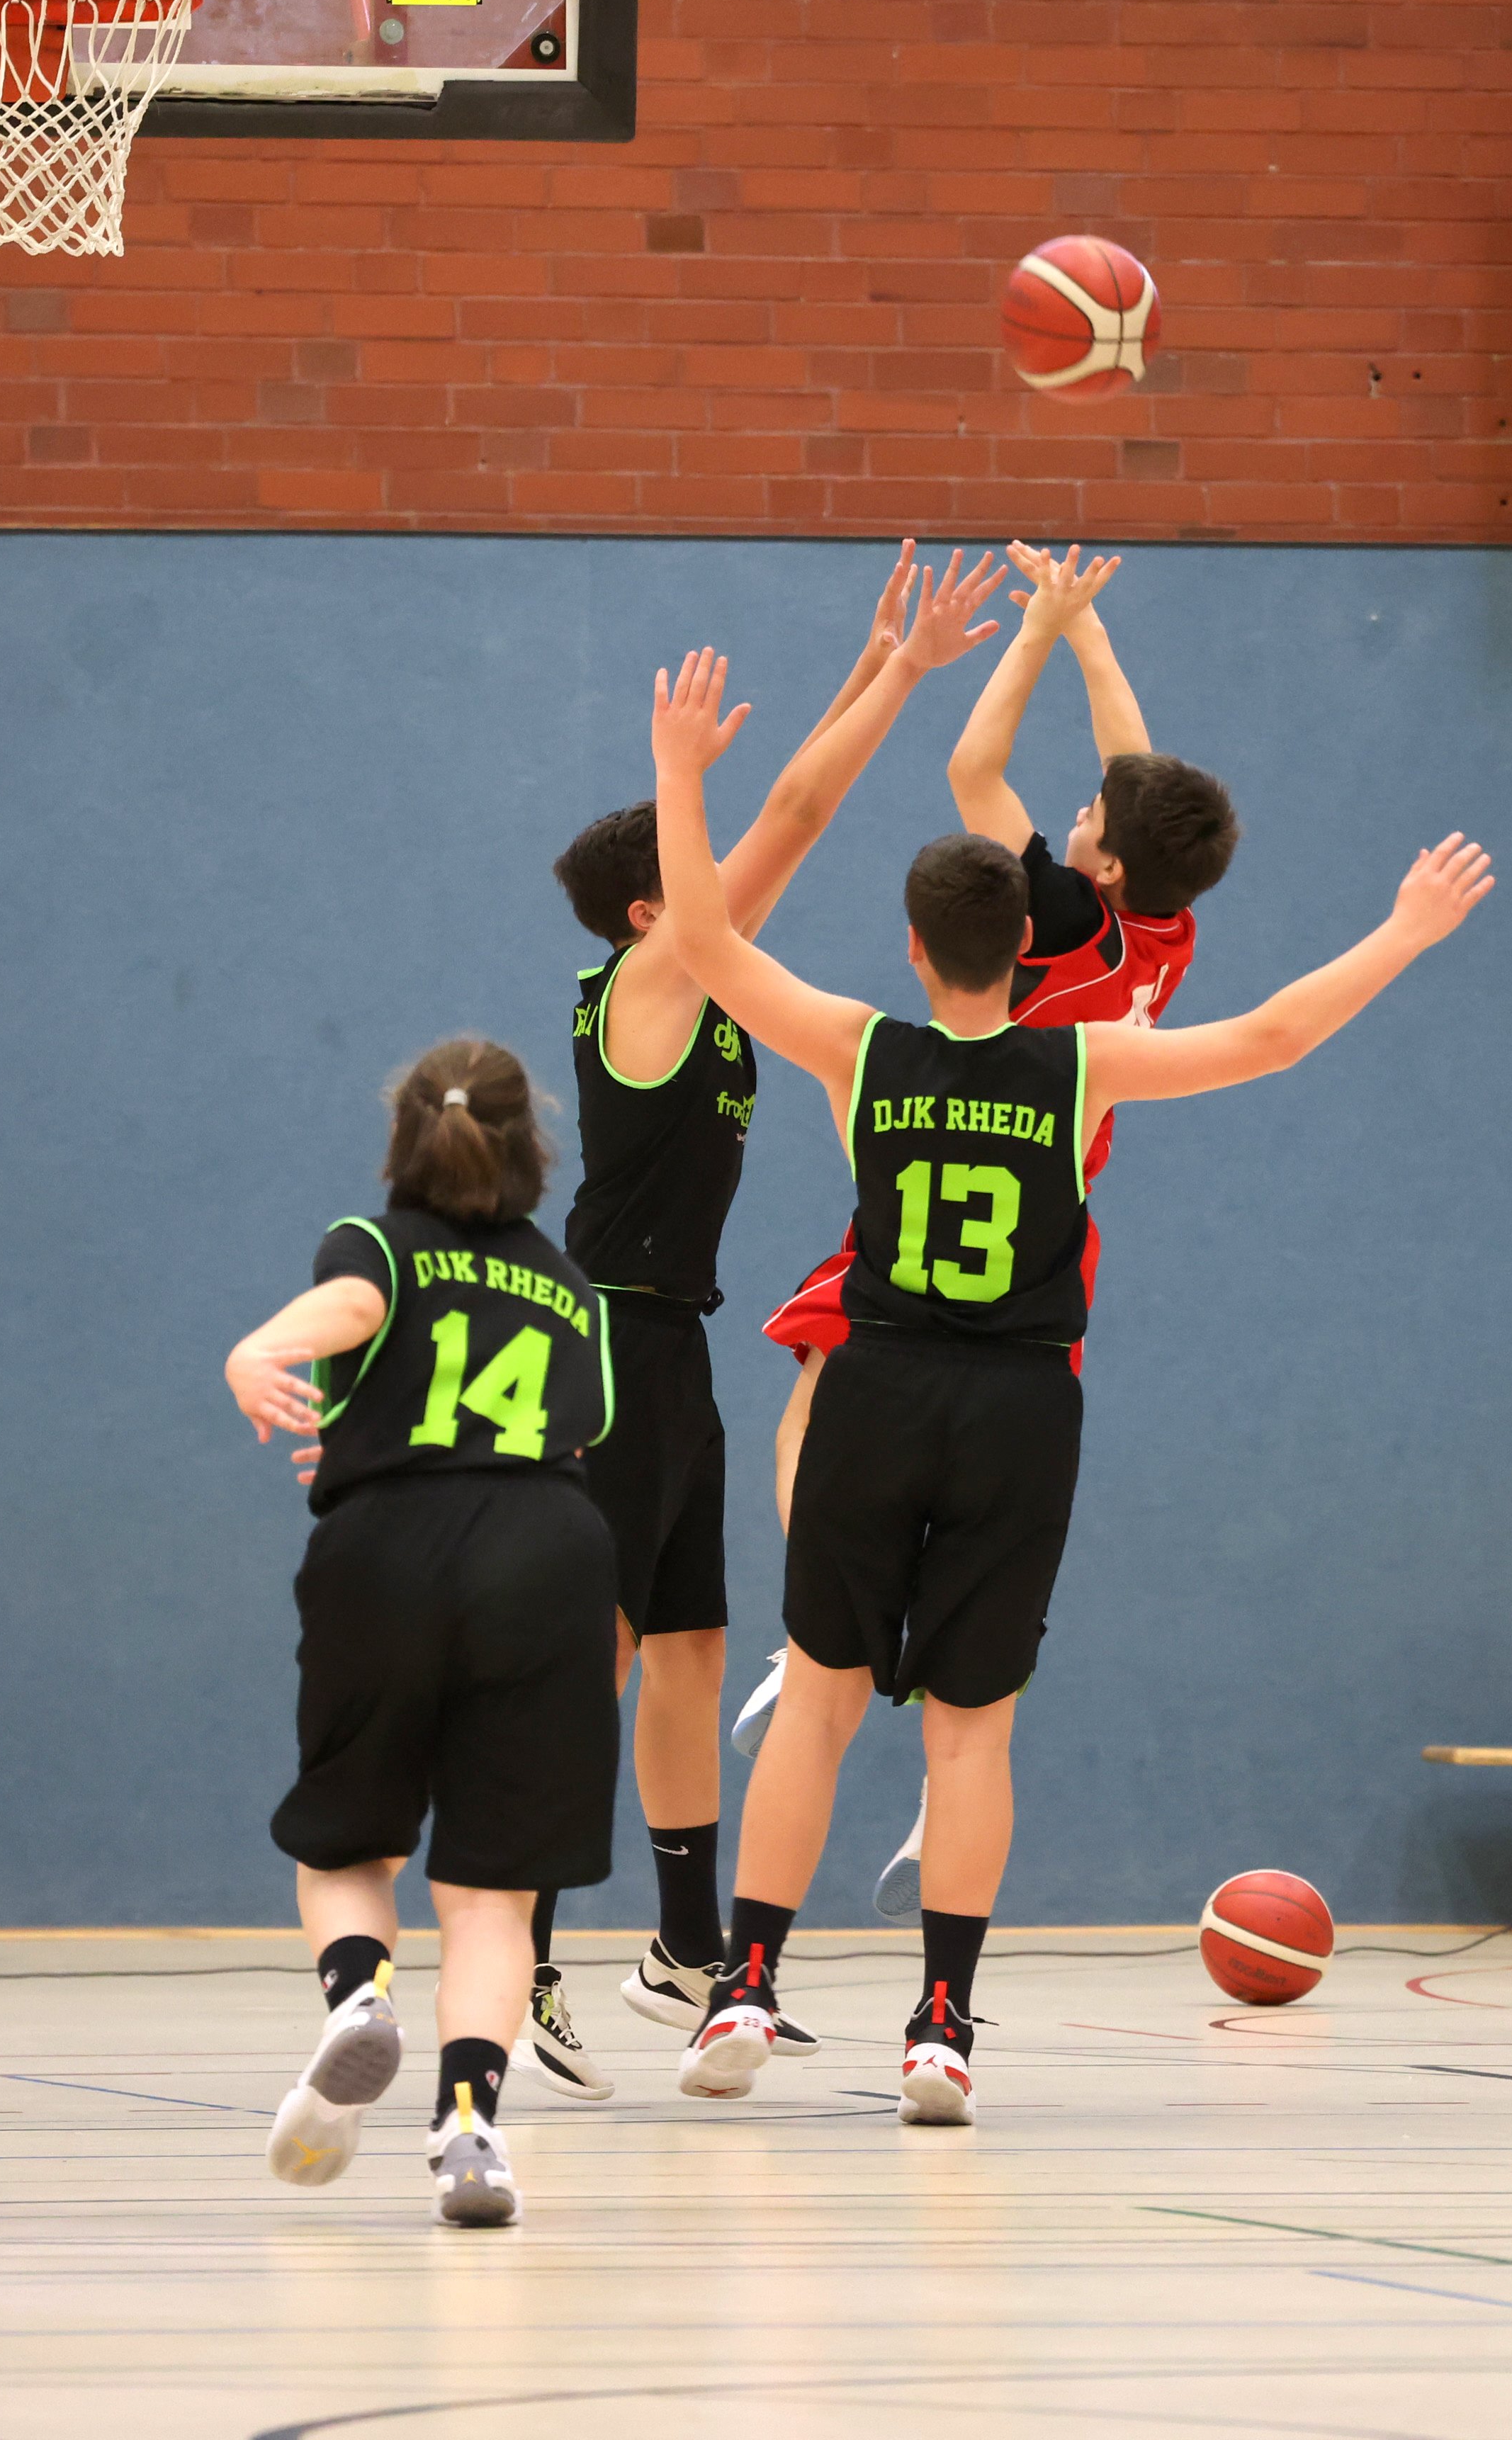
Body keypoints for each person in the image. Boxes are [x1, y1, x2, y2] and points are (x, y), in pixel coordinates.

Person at [648, 644, 1489, 2125]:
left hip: (877, 1385)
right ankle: (941, 2028)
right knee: (972, 1729)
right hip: (1023, 1403)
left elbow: (706, 940)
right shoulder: (1086, 1061)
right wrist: (1405, 929)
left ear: (918, 949)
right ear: (1018, 943)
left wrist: (679, 773)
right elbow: (1277, 1035)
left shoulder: (862, 1049)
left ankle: (749, 1983)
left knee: (821, 1701)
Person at [530, 546, 1004, 2098]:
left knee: (689, 1644)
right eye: (696, 853)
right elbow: (793, 816)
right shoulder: (648, 984)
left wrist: (876, 663)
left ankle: (683, 1951)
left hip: (670, 1341)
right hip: (608, 1341)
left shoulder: (695, 990)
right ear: (654, 908)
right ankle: (519, 1945)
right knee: (600, 1646)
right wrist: (904, 677)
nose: (730, 862)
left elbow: (782, 817)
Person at [731, 546, 1240, 1926]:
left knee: (818, 1375)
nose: (1078, 807)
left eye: (1088, 817)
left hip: (969, 1143)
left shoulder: (1057, 923)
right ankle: (921, 1731)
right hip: (1053, 1201)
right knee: (976, 1593)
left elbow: (972, 765)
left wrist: (1031, 637)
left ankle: (820, 1627)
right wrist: (1089, 632)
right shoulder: (1164, 929)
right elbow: (1138, 778)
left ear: (1099, 862)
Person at [225, 1039, 618, 2230]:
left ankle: (358, 1999)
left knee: (350, 1843)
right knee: (495, 1892)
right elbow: (564, 1430)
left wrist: (260, 1353)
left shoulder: (376, 1244)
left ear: (405, 1139)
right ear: (529, 1146)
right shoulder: (571, 1285)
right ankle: (469, 2132)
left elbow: (355, 1312)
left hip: (389, 1553)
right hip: (549, 1553)